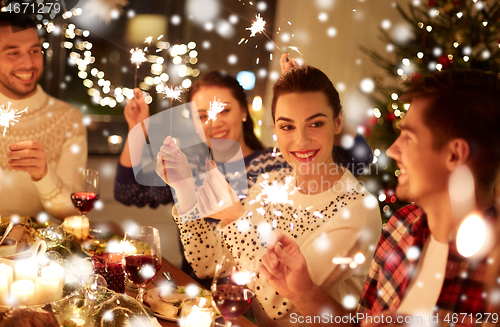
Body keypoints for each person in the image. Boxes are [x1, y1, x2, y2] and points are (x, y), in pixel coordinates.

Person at [259, 69, 500, 327]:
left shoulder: (491, 268)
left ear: (454, 155)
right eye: (286, 125)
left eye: (409, 137)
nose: (394, 149)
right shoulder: (401, 228)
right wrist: (303, 292)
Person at [114, 56, 374, 286]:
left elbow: (359, 158)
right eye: (203, 115)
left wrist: (307, 98)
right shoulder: (190, 166)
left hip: (255, 293)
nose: (215, 122)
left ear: (243, 112)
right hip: (198, 289)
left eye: (224, 110)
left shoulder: (274, 164)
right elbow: (127, 192)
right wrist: (136, 129)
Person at [159, 65, 382, 327]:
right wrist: (185, 193)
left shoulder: (355, 208)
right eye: (288, 126)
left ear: (338, 122)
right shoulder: (271, 182)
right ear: (275, 129)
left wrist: (235, 218)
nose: (301, 140)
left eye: (316, 123)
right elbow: (207, 264)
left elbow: (278, 300)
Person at [0, 13, 87, 220]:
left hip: (39, 248)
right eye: (13, 53)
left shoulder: (68, 119)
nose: (28, 63)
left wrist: (43, 174)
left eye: (34, 50)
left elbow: (72, 213)